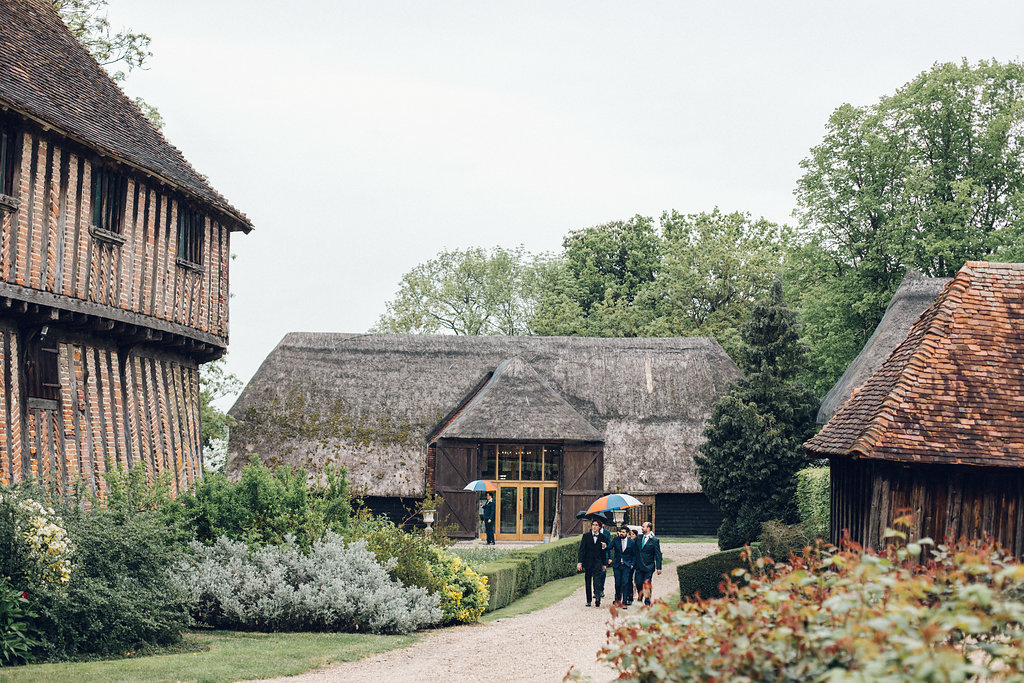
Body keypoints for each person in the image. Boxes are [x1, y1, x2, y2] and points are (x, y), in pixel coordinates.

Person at [577, 519, 609, 607]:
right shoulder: (586, 536)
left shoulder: (603, 537)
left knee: (597, 581)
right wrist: (580, 562)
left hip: (597, 562)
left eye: (596, 525)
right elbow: (582, 550)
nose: (594, 527)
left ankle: (597, 598)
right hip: (588, 562)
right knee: (588, 581)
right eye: (593, 525)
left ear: (599, 527)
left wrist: (604, 564)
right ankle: (588, 600)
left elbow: (604, 552)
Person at [634, 521, 662, 606]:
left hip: (648, 566)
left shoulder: (654, 540)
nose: (642, 528)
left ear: (648, 528)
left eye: (643, 527)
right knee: (638, 583)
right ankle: (640, 596)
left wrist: (659, 567)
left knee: (646, 583)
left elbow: (658, 554)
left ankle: (647, 601)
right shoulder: (638, 538)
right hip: (639, 565)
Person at [611, 525, 637, 607]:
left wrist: (632, 564)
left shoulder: (631, 542)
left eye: (623, 532)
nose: (622, 533)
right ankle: (618, 600)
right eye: (621, 532)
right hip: (617, 565)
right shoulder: (616, 540)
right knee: (617, 584)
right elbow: (609, 547)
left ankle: (625, 601)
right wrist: (604, 546)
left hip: (627, 565)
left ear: (627, 533)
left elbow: (634, 554)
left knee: (625, 583)